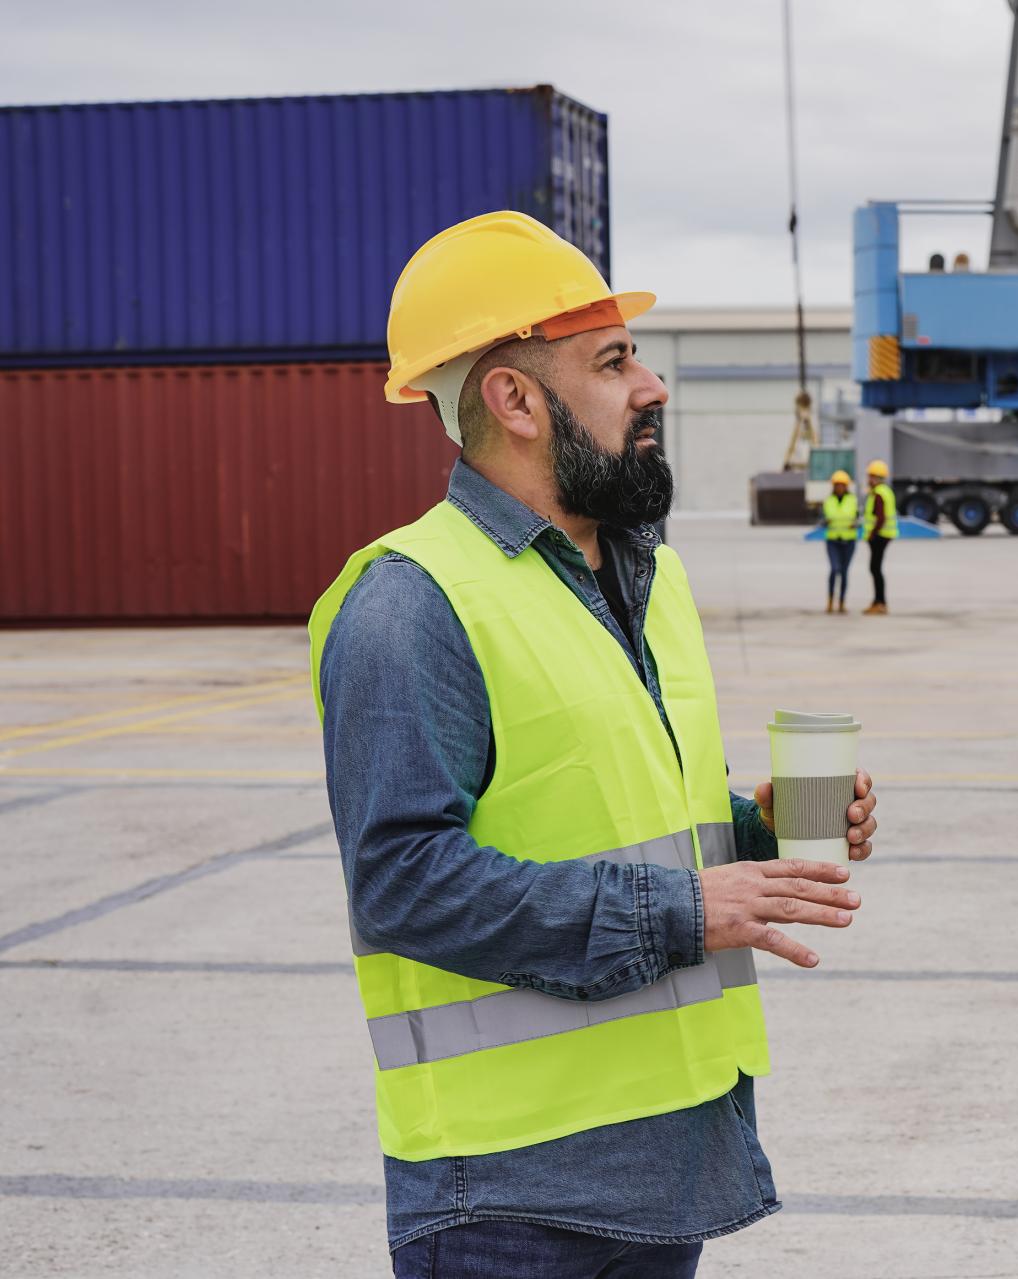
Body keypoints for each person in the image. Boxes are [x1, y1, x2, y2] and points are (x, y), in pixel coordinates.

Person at [309, 211, 881, 1278]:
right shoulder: (410, 605)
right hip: (511, 1194)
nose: (651, 387)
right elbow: (401, 883)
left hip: (664, 1157)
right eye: (614, 361)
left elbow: (619, 816)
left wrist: (759, 828)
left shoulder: (644, 578)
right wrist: (688, 910)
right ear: (514, 399)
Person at [862, 459, 898, 615]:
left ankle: (880, 602)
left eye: (871, 476)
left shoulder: (878, 493)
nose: (869, 480)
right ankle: (878, 602)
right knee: (875, 568)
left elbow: (880, 518)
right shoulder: (886, 491)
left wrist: (872, 534)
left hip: (880, 537)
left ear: (876, 477)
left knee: (875, 568)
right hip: (884, 535)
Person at [821, 469, 858, 613]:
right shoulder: (828, 501)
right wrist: (825, 522)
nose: (840, 487)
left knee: (844, 572)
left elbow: (857, 517)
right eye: (837, 485)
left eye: (842, 485)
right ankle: (830, 600)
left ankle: (842, 602)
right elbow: (823, 518)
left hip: (848, 540)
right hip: (833, 540)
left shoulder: (852, 500)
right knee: (834, 569)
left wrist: (855, 524)